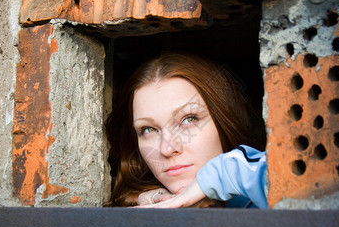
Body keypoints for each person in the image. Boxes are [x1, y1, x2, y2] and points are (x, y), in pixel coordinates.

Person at [105, 53, 267, 208]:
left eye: (189, 119)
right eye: (148, 129)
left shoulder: (264, 198)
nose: (167, 149)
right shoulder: (143, 206)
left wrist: (226, 173)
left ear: (225, 120)